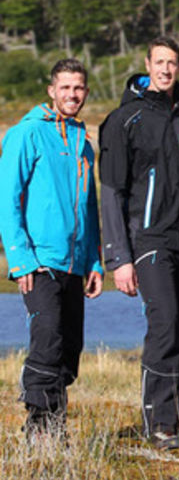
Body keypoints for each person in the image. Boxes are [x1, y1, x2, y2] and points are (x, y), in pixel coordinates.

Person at [99, 35, 179, 450]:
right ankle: (160, 422)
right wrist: (119, 258)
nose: (166, 69)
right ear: (147, 64)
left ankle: (170, 408)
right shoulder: (124, 118)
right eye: (159, 62)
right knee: (164, 323)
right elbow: (111, 190)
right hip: (147, 237)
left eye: (172, 63)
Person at [0, 59, 104, 441]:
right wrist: (20, 258)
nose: (72, 95)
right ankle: (39, 430)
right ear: (51, 90)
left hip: (75, 263)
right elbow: (6, 198)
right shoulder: (26, 134)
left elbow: (89, 207)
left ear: (86, 92)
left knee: (69, 346)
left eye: (78, 88)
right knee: (47, 340)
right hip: (39, 261)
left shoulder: (81, 140)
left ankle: (55, 426)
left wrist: (94, 260)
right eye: (65, 87)